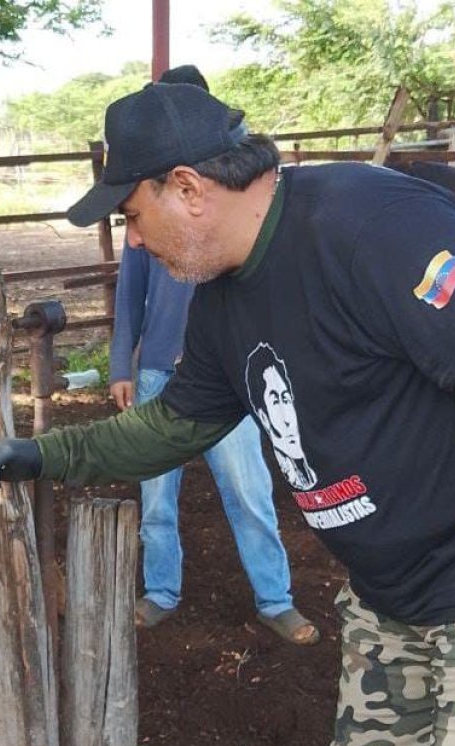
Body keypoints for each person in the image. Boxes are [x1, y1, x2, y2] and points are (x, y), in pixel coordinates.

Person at [0, 82, 455, 746]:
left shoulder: (369, 226)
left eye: (134, 214)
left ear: (187, 188)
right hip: (390, 598)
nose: (133, 240)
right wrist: (35, 456)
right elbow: (171, 428)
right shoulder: (226, 305)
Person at [110, 61, 316, 645]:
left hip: (228, 371)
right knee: (156, 494)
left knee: (249, 490)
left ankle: (276, 599)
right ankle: (160, 592)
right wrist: (123, 363)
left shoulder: (226, 201)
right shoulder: (148, 209)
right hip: (159, 368)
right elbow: (130, 292)